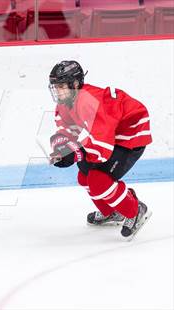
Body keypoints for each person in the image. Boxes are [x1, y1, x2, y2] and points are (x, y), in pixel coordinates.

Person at [47, 60, 152, 240]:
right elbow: (66, 130)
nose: (57, 91)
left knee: (98, 180)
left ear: (75, 84)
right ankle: (113, 211)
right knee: (84, 174)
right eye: (55, 86)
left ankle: (135, 210)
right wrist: (62, 150)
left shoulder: (90, 101)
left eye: (61, 86)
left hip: (130, 135)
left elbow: (102, 148)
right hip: (111, 134)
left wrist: (76, 153)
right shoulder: (66, 102)